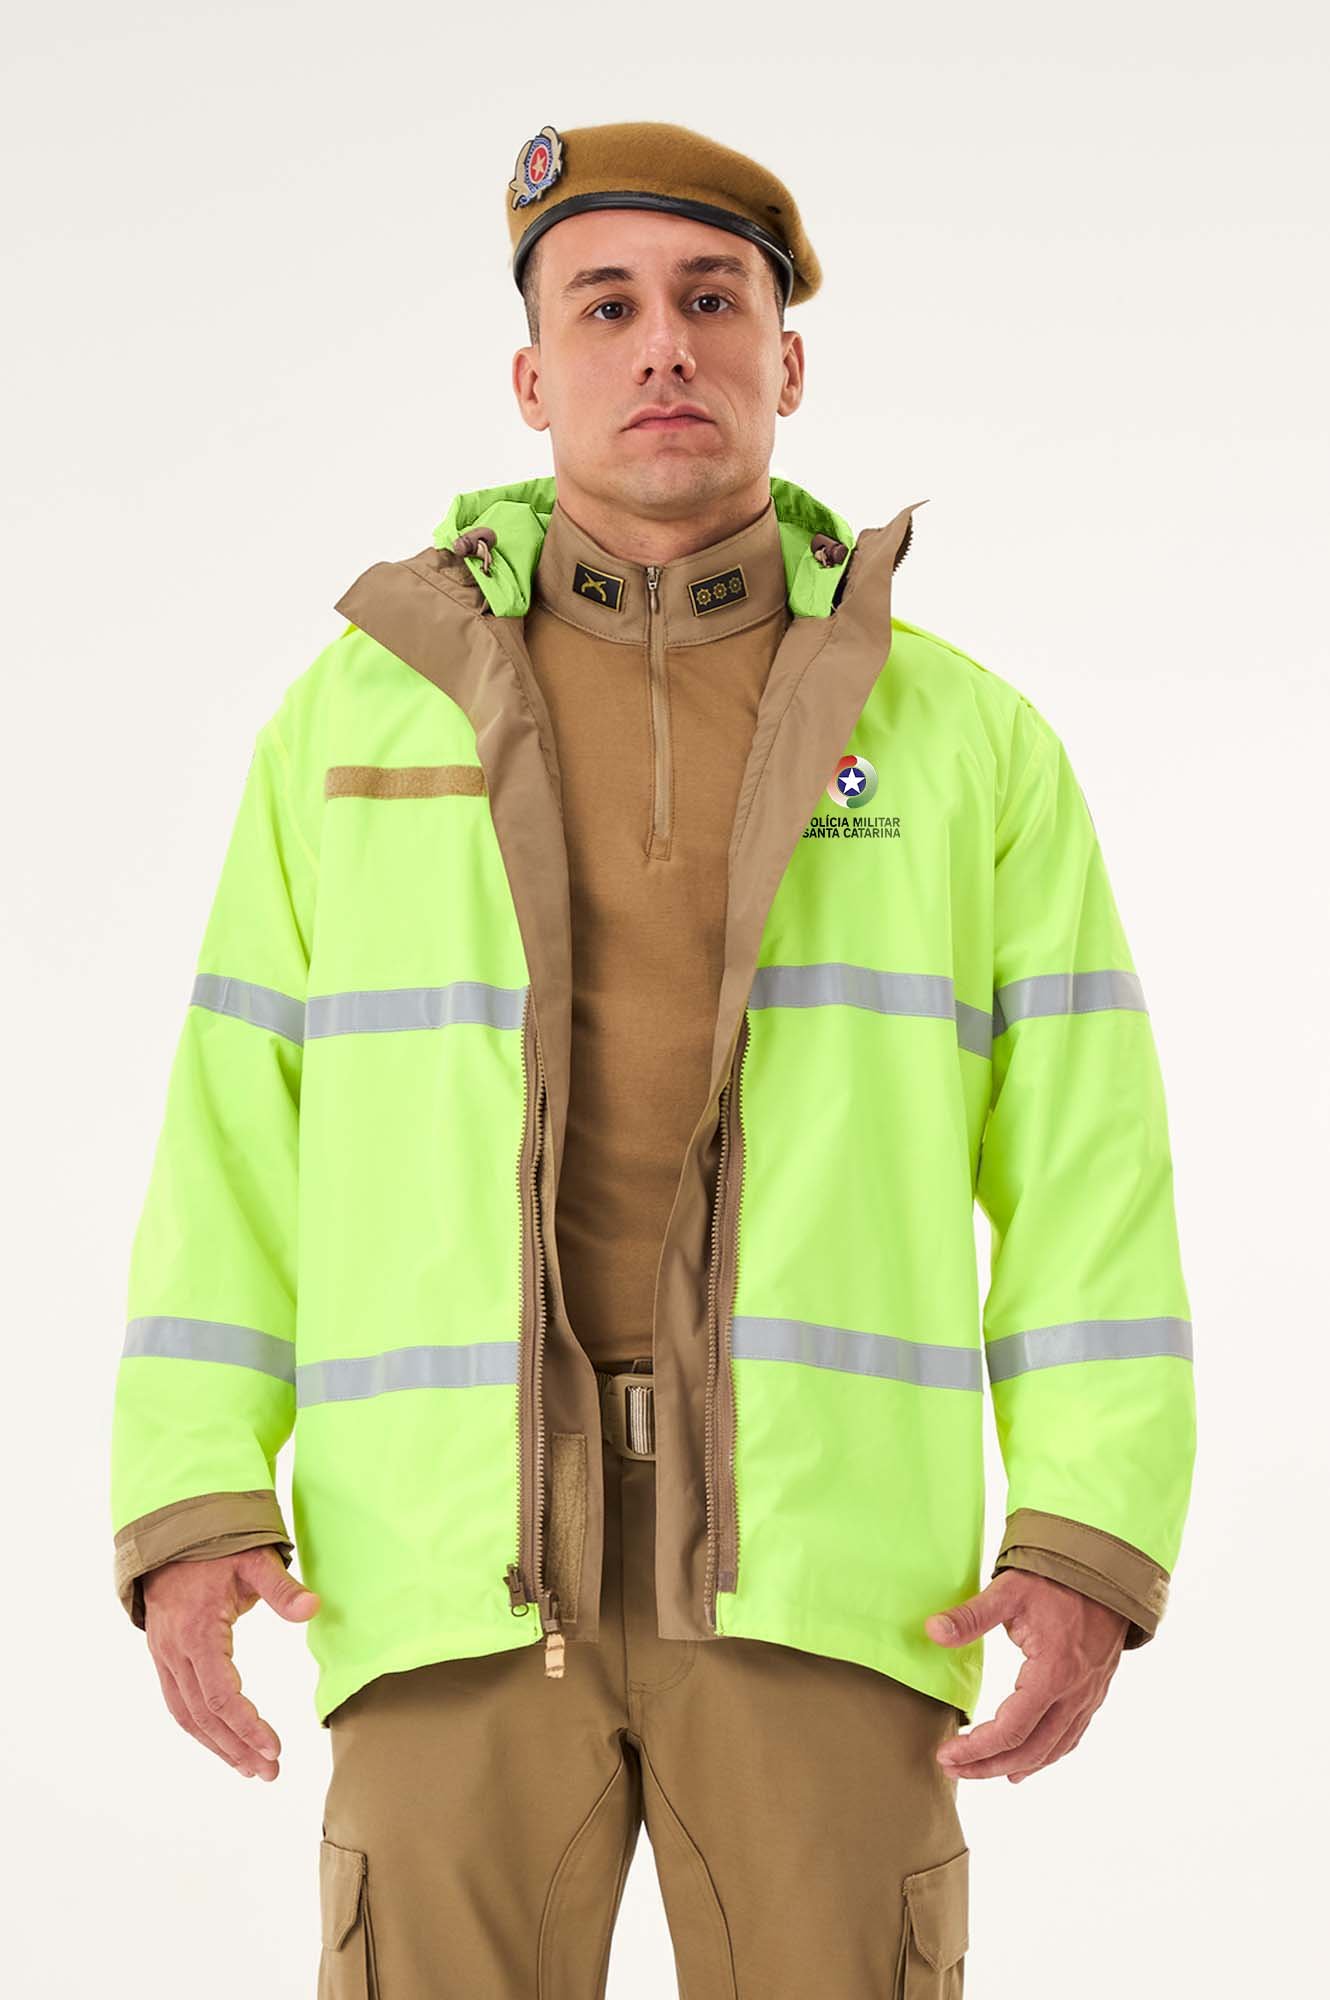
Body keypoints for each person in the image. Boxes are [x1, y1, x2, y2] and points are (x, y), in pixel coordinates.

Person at [109, 119, 1196, 1996]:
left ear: (789, 360)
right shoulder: (356, 722)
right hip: (446, 1569)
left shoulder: (961, 740)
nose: (665, 345)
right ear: (532, 378)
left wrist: (1087, 1526)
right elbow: (234, 1131)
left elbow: (1087, 1157)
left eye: (712, 299)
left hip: (827, 1573)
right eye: (604, 307)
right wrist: (193, 1492)